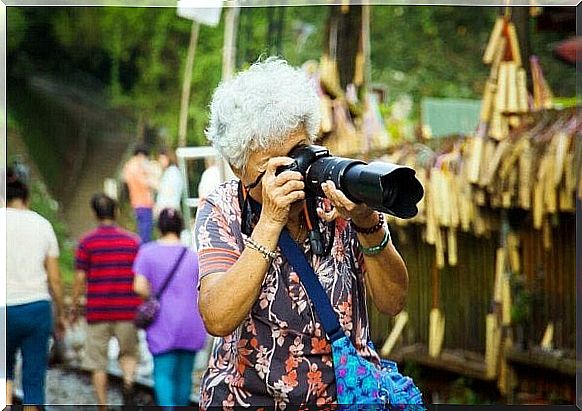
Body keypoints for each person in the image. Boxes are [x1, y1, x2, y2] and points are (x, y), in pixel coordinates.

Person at [195, 58, 409, 408]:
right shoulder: (225, 208)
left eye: (299, 153)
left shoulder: (335, 197)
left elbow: (393, 302)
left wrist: (367, 221)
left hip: (342, 399)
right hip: (249, 399)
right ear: (238, 165)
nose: (296, 174)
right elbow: (217, 317)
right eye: (276, 166)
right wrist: (269, 222)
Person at [72, 193, 142, 409]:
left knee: (97, 363)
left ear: (94, 214)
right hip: (127, 310)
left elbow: (80, 279)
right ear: (117, 212)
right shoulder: (133, 242)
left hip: (98, 311)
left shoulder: (86, 242)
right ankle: (128, 383)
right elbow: (141, 276)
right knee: (128, 353)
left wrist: (74, 305)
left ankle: (103, 406)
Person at [4, 169, 66, 408]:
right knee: (33, 379)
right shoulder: (43, 225)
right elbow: (55, 278)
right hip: (36, 308)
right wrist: (59, 313)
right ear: (27, 197)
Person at [132, 208, 206, 407]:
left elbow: (138, 286)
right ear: (181, 227)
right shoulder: (194, 256)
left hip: (163, 323)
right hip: (192, 324)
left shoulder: (147, 253)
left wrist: (154, 295)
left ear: (159, 227)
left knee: (163, 374)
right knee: (184, 377)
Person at [122, 145, 157, 243]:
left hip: (136, 203)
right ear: (141, 155)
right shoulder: (136, 167)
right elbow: (147, 183)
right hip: (144, 203)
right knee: (145, 235)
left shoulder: (128, 167)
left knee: (142, 232)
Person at [154, 148, 184, 218]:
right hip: (168, 209)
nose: (160, 161)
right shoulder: (170, 172)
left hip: (169, 210)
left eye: (162, 159)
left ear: (168, 158)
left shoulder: (172, 172)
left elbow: (168, 192)